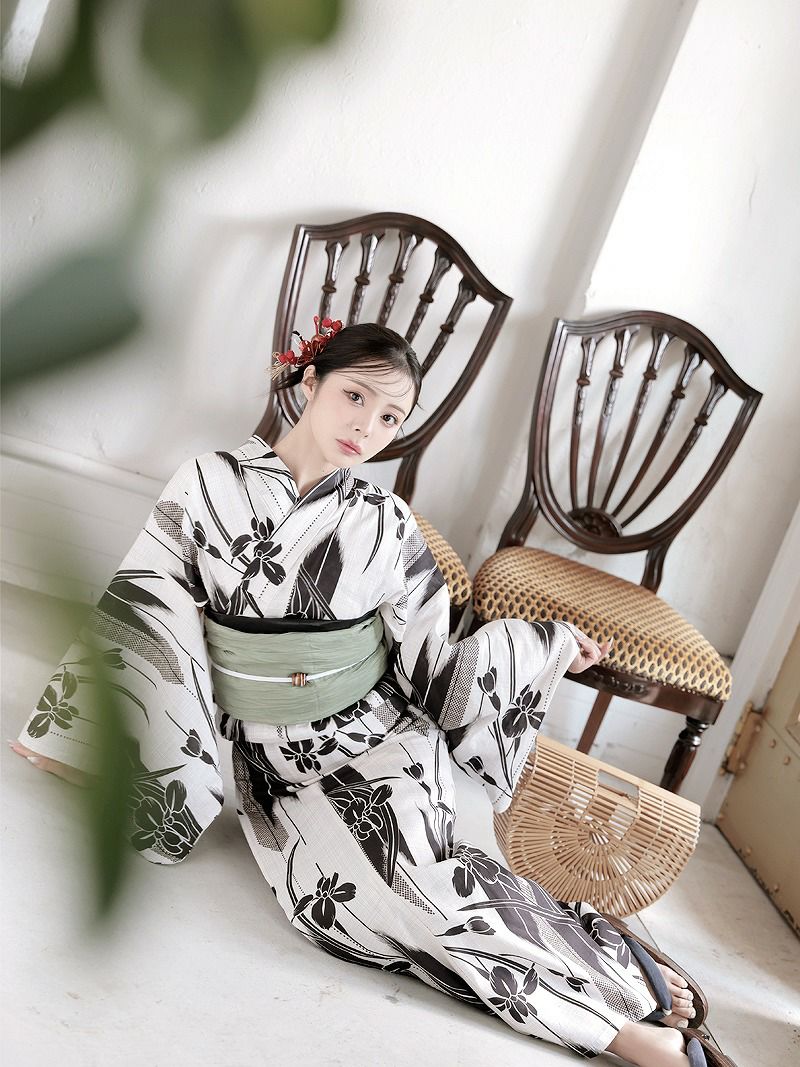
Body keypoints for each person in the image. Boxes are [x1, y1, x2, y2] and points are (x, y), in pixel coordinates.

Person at [11, 320, 729, 1067]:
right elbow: (146, 602)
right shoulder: (206, 482)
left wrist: (542, 644)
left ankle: (624, 1029)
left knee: (419, 887)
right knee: (358, 912)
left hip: (377, 743)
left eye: (390, 417)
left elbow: (438, 666)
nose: (367, 428)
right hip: (273, 770)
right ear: (310, 382)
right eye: (355, 396)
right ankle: (610, 962)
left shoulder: (387, 524)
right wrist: (78, 737)